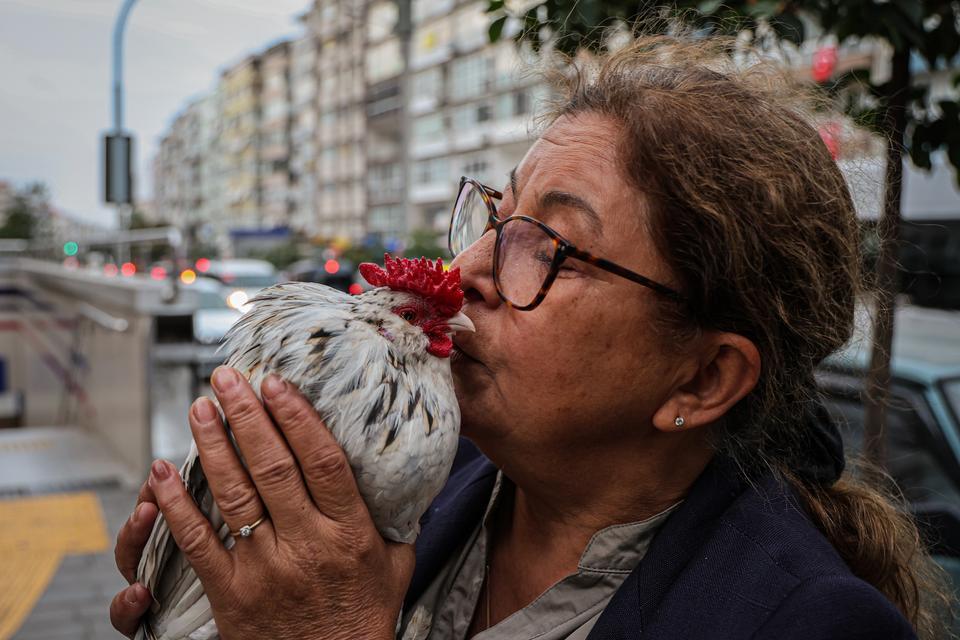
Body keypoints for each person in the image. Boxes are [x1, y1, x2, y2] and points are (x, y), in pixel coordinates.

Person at [109, 36, 952, 639]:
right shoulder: (418, 480)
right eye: (495, 215)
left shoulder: (802, 621)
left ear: (702, 379)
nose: (469, 265)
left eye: (548, 249)